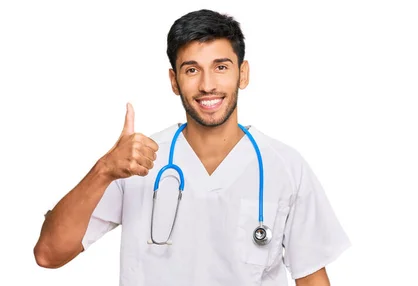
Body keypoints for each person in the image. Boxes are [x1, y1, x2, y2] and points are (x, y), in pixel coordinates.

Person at [33, 8, 350, 286]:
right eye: (192, 69)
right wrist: (103, 170)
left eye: (221, 67)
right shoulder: (137, 161)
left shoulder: (285, 167)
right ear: (174, 81)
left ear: (243, 73)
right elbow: (49, 254)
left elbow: (311, 278)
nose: (207, 84)